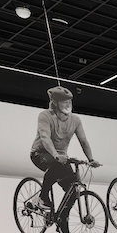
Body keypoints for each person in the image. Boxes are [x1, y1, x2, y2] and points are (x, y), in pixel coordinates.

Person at [30, 86, 100, 222]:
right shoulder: (45, 116)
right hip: (40, 153)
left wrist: (91, 159)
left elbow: (83, 141)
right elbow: (45, 138)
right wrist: (56, 155)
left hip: (61, 158)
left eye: (69, 101)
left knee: (73, 190)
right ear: (55, 103)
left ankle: (61, 219)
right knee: (56, 165)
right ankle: (42, 198)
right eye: (64, 102)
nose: (68, 104)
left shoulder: (75, 120)